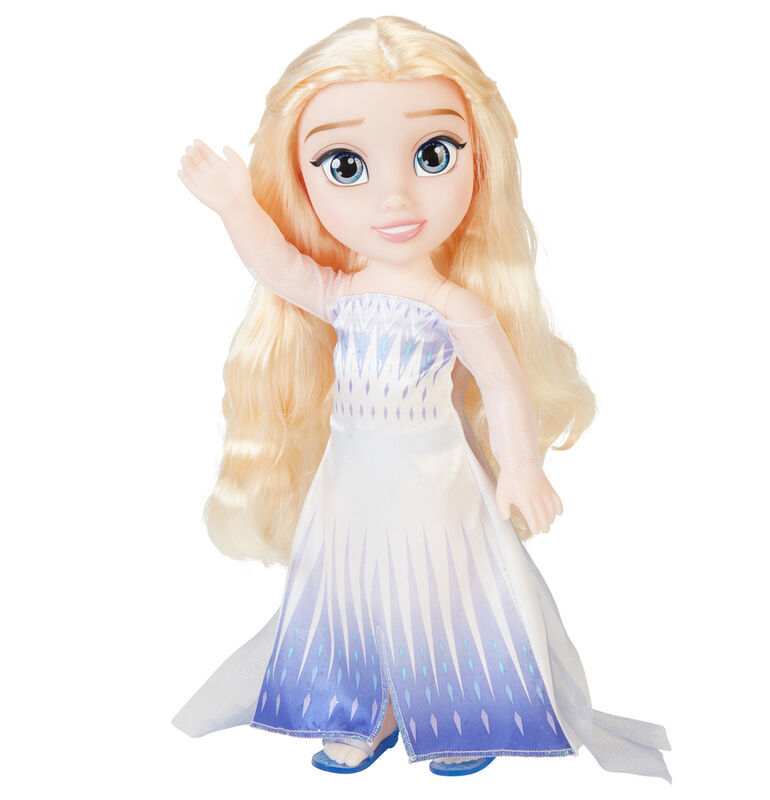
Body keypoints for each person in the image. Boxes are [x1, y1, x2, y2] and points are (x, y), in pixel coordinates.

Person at [173, 15, 671, 780]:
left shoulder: (454, 305)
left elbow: (502, 383)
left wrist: (521, 467)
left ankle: (454, 709)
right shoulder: (341, 293)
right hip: (351, 484)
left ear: (480, 161)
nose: (395, 197)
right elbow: (276, 267)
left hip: (435, 482)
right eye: (346, 165)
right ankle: (364, 708)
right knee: (351, 592)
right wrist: (236, 204)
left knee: (444, 594)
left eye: (433, 155)